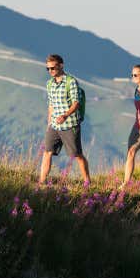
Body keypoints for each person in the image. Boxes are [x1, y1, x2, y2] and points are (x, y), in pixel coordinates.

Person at [38, 54, 91, 184]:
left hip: (70, 124)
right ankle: (41, 182)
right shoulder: (49, 84)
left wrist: (65, 115)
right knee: (47, 152)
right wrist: (49, 123)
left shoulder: (71, 81)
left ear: (61, 66)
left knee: (76, 155)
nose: (50, 71)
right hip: (54, 125)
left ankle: (87, 182)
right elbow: (51, 104)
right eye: (48, 69)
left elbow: (76, 103)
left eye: (53, 68)